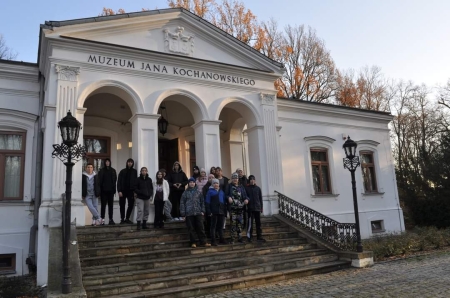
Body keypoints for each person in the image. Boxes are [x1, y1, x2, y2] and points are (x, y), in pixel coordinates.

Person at [180, 178, 211, 248]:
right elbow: (182, 203)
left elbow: (202, 202)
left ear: (195, 183)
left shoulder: (198, 192)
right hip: (189, 213)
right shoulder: (185, 193)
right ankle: (193, 242)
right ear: (188, 183)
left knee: (201, 227)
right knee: (191, 229)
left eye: (193, 182)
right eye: (190, 182)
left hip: (198, 212)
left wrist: (203, 211)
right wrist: (183, 214)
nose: (192, 183)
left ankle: (203, 241)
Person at [225, 172, 248, 243]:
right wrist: (228, 197)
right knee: (233, 223)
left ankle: (240, 238)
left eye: (236, 178)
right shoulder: (229, 186)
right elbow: (226, 195)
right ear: (232, 179)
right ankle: (232, 239)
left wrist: (247, 199)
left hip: (240, 208)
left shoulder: (241, 187)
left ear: (238, 179)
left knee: (240, 223)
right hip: (233, 208)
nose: (235, 179)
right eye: (233, 178)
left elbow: (245, 196)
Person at [205, 179, 227, 246]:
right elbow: (207, 202)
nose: (216, 185)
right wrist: (209, 211)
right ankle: (213, 240)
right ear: (212, 184)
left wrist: (225, 211)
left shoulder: (221, 192)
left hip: (221, 211)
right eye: (214, 183)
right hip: (213, 212)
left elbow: (224, 202)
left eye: (217, 183)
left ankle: (221, 239)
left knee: (220, 226)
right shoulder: (210, 192)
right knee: (213, 226)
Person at [245, 175, 265, 242]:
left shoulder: (258, 188)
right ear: (249, 180)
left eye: (253, 179)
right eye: (251, 179)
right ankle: (249, 237)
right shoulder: (247, 188)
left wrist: (261, 208)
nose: (252, 181)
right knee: (250, 224)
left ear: (255, 180)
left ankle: (259, 236)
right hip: (250, 209)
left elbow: (260, 199)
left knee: (258, 223)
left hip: (257, 208)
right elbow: (245, 198)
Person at [117, 158, 138, 224]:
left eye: (131, 162)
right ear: (126, 163)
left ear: (132, 163)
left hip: (131, 191)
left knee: (131, 205)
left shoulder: (135, 172)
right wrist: (119, 191)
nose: (130, 163)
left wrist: (135, 191)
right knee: (122, 205)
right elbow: (119, 182)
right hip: (123, 191)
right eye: (128, 162)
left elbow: (136, 182)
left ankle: (127, 218)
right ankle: (122, 219)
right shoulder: (122, 171)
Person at [97, 158, 117, 225]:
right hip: (103, 191)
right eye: (106, 162)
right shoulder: (102, 171)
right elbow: (99, 181)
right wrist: (100, 190)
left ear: (110, 162)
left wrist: (114, 189)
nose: (107, 163)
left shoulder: (113, 171)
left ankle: (111, 219)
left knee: (111, 206)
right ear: (104, 163)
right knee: (103, 206)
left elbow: (115, 180)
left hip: (111, 191)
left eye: (108, 161)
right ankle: (102, 220)